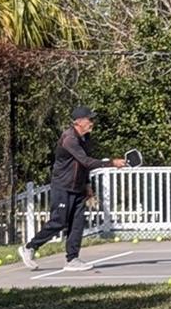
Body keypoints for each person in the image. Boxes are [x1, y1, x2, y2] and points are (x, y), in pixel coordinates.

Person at [18, 106, 125, 271]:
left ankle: (72, 259)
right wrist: (111, 163)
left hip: (78, 187)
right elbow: (86, 161)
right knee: (59, 222)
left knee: (77, 224)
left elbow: (83, 167)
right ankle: (30, 247)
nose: (92, 123)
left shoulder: (86, 139)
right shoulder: (69, 138)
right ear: (79, 122)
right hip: (62, 186)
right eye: (90, 120)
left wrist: (88, 185)